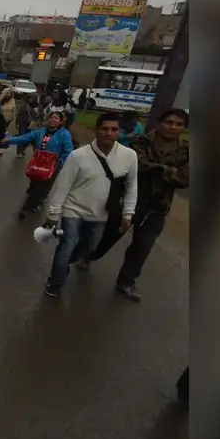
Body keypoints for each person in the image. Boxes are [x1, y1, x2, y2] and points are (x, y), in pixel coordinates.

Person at [83, 109, 189, 301]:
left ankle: (126, 281)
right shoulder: (140, 142)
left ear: (184, 128)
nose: (173, 127)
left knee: (142, 247)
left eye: (178, 124)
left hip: (157, 208)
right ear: (160, 123)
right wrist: (169, 171)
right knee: (107, 236)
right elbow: (139, 165)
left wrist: (158, 169)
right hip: (129, 203)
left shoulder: (187, 151)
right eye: (169, 122)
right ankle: (87, 256)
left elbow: (185, 178)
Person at [40, 112, 138, 298]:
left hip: (101, 214)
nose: (109, 133)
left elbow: (132, 186)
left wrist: (128, 213)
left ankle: (66, 263)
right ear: (96, 131)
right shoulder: (78, 156)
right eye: (105, 129)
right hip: (73, 209)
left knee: (89, 249)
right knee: (66, 245)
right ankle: (56, 282)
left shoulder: (129, 156)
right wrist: (53, 214)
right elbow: (63, 186)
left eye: (114, 129)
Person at [1, 110, 74, 219]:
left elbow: (68, 151)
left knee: (41, 188)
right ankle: (36, 201)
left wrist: (59, 162)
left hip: (52, 165)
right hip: (38, 162)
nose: (52, 120)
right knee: (34, 184)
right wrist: (9, 140)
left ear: (60, 122)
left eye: (56, 118)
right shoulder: (40, 131)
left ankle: (26, 208)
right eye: (51, 118)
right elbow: (25, 138)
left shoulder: (64, 134)